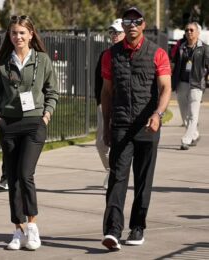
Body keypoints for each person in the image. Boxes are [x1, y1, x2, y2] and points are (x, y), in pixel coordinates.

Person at [101, 7, 171, 250]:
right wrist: (106, 126)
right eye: (127, 21)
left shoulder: (158, 53)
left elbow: (165, 89)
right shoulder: (111, 55)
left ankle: (137, 227)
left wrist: (158, 114)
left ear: (143, 25)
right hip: (121, 124)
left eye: (136, 21)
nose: (131, 25)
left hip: (148, 126)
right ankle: (112, 230)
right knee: (117, 178)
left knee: (143, 179)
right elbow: (107, 92)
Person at [0, 15, 59, 251]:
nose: (18, 37)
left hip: (34, 124)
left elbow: (52, 91)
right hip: (9, 125)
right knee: (13, 178)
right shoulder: (0, 63)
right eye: (14, 33)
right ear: (10, 36)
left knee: (25, 174)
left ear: (31, 34)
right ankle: (17, 230)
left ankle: (32, 227)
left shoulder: (43, 60)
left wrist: (46, 115)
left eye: (22, 33)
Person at [94, 18, 125, 189]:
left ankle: (116, 173)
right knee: (100, 143)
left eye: (117, 32)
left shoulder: (130, 54)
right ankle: (112, 170)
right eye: (112, 32)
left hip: (123, 106)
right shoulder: (105, 55)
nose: (114, 35)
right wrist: (99, 102)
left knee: (119, 142)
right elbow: (98, 82)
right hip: (105, 104)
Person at [172, 21, 209, 150]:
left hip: (196, 84)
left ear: (198, 33)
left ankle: (186, 140)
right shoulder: (181, 47)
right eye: (187, 30)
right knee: (184, 114)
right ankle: (195, 134)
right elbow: (175, 65)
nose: (188, 32)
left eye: (191, 30)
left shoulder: (204, 48)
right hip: (181, 83)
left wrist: (205, 78)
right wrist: (173, 82)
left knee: (193, 114)